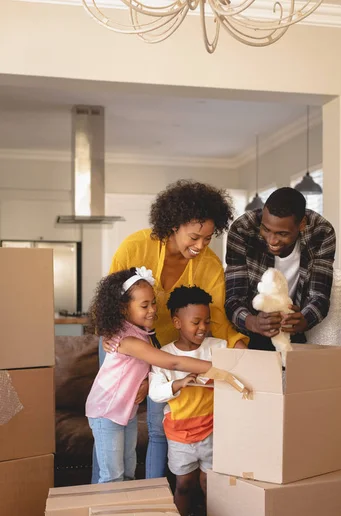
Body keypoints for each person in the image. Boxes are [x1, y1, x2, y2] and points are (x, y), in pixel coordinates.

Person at [96, 180, 248, 482]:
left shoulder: (210, 264)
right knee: (111, 423)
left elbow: (216, 313)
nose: (200, 246)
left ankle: (158, 498)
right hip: (124, 340)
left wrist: (239, 348)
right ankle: (96, 494)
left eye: (207, 238)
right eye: (194, 237)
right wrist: (130, 375)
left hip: (167, 348)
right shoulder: (135, 246)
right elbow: (110, 301)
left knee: (159, 428)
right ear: (174, 224)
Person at [86, 267, 215, 484]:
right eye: (144, 305)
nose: (153, 309)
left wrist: (145, 382)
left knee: (127, 473)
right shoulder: (128, 340)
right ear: (123, 309)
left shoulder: (140, 333)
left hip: (125, 412)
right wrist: (216, 367)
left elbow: (137, 368)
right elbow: (172, 361)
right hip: (106, 412)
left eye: (153, 302)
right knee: (112, 476)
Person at [149, 285, 226, 516]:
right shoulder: (164, 354)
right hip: (180, 435)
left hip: (212, 430)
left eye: (207, 321)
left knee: (209, 484)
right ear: (177, 323)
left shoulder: (218, 347)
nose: (203, 327)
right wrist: (177, 384)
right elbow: (155, 392)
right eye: (196, 322)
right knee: (184, 484)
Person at [225, 187, 336, 350]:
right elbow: (233, 298)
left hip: (292, 333)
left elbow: (320, 296)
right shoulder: (243, 229)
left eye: (282, 234)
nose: (272, 240)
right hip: (248, 331)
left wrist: (304, 319)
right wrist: (254, 322)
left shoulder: (321, 232)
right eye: (266, 229)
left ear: (302, 224)